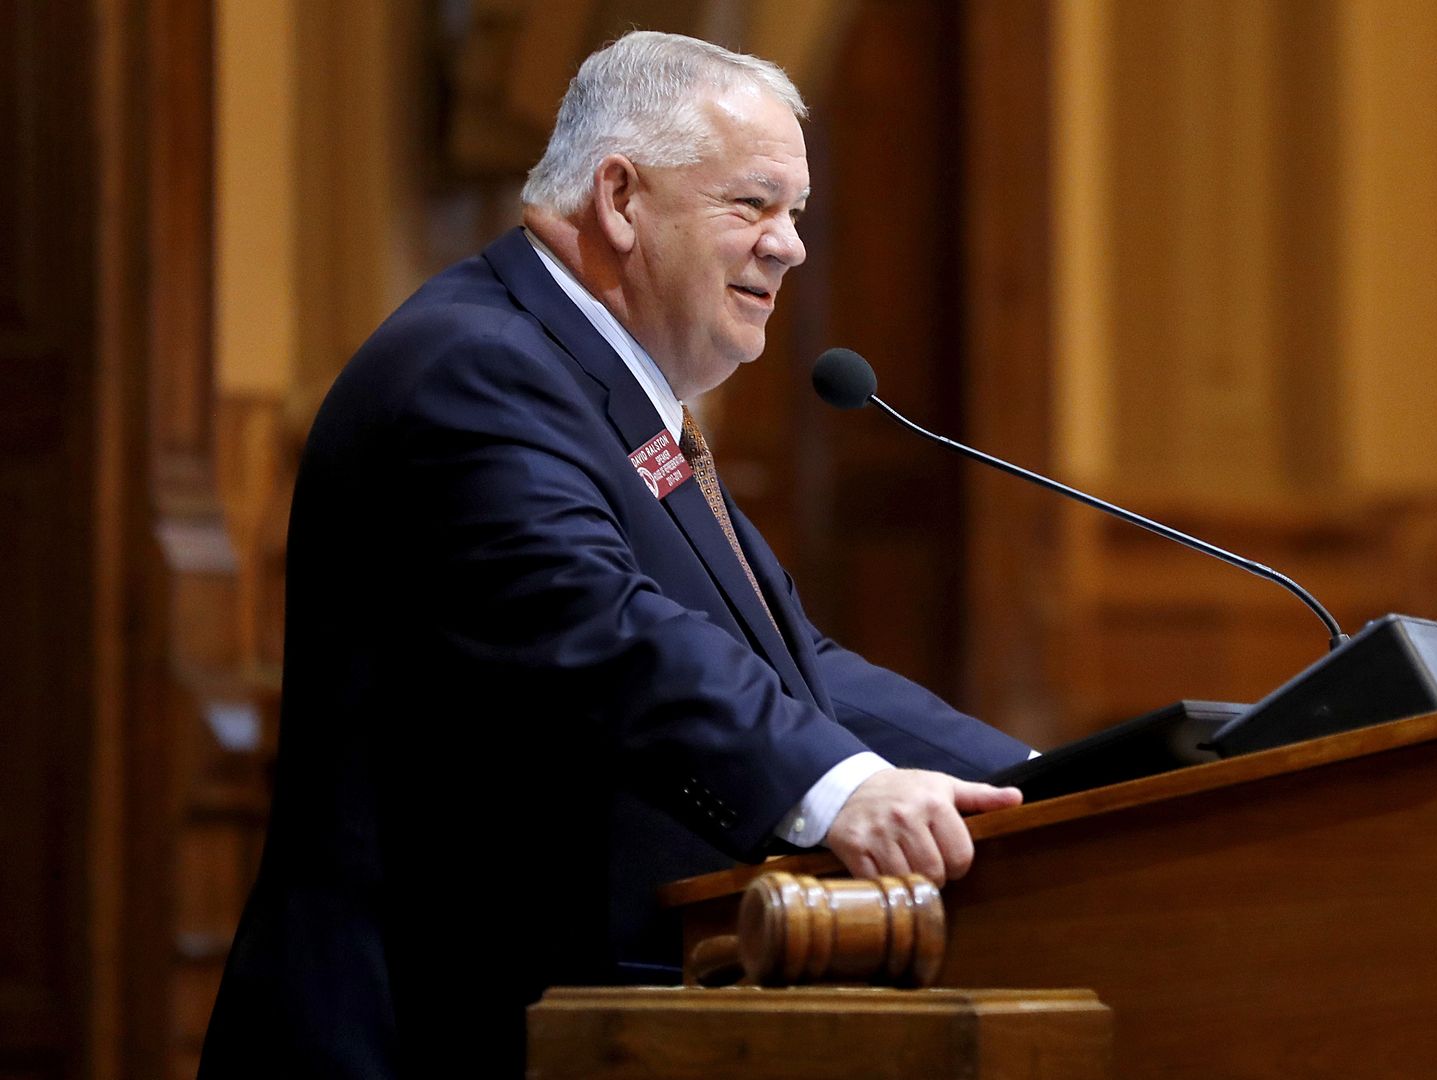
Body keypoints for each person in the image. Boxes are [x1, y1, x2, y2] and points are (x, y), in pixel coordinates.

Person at [197, 30, 1032, 1080]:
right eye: (753, 205)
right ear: (622, 198)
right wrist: (841, 789)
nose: (791, 246)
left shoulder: (594, 381)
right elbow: (600, 626)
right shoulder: (477, 367)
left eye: (797, 213)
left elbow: (796, 668)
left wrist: (1041, 785)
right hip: (425, 1027)